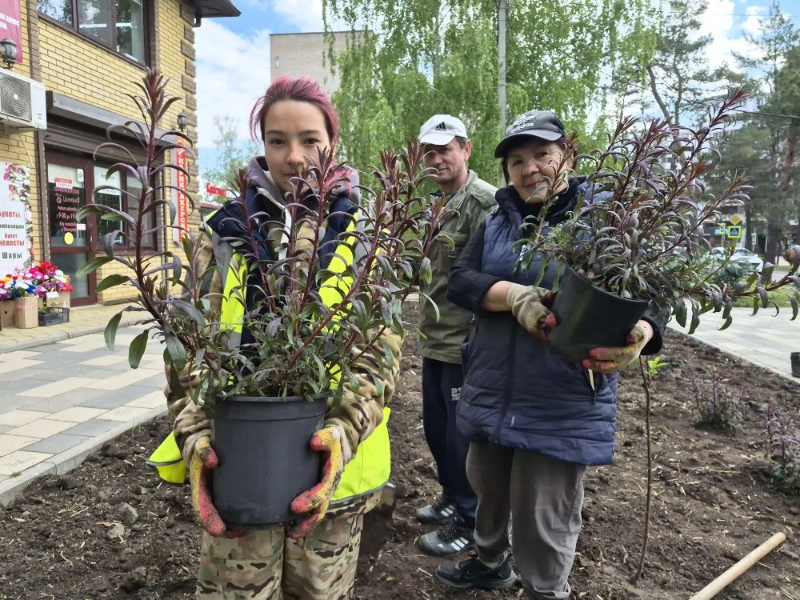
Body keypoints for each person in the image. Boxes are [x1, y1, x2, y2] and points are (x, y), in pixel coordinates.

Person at [159, 76, 400, 599]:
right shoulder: (222, 233)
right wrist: (196, 437)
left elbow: (380, 354)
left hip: (335, 472)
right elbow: (185, 347)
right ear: (261, 144)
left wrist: (342, 434)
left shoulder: (366, 236)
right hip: (239, 468)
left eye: (310, 140)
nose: (294, 156)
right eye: (277, 140)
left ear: (331, 143)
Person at [435, 110, 664, 597]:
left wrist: (644, 330)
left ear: (568, 157)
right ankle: (491, 561)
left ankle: (545, 589)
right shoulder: (499, 220)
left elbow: (653, 292)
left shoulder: (605, 220)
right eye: (517, 160)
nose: (529, 168)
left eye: (542, 154)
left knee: (545, 509)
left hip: (560, 391)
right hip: (493, 381)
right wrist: (514, 296)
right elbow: (462, 280)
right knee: (487, 484)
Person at [415, 114, 497, 557]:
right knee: (436, 429)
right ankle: (451, 497)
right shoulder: (438, 203)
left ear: (466, 149)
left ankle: (469, 519)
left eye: (445, 149)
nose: (437, 159)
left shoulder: (483, 202)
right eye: (429, 151)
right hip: (435, 339)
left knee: (460, 438)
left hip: (465, 344)